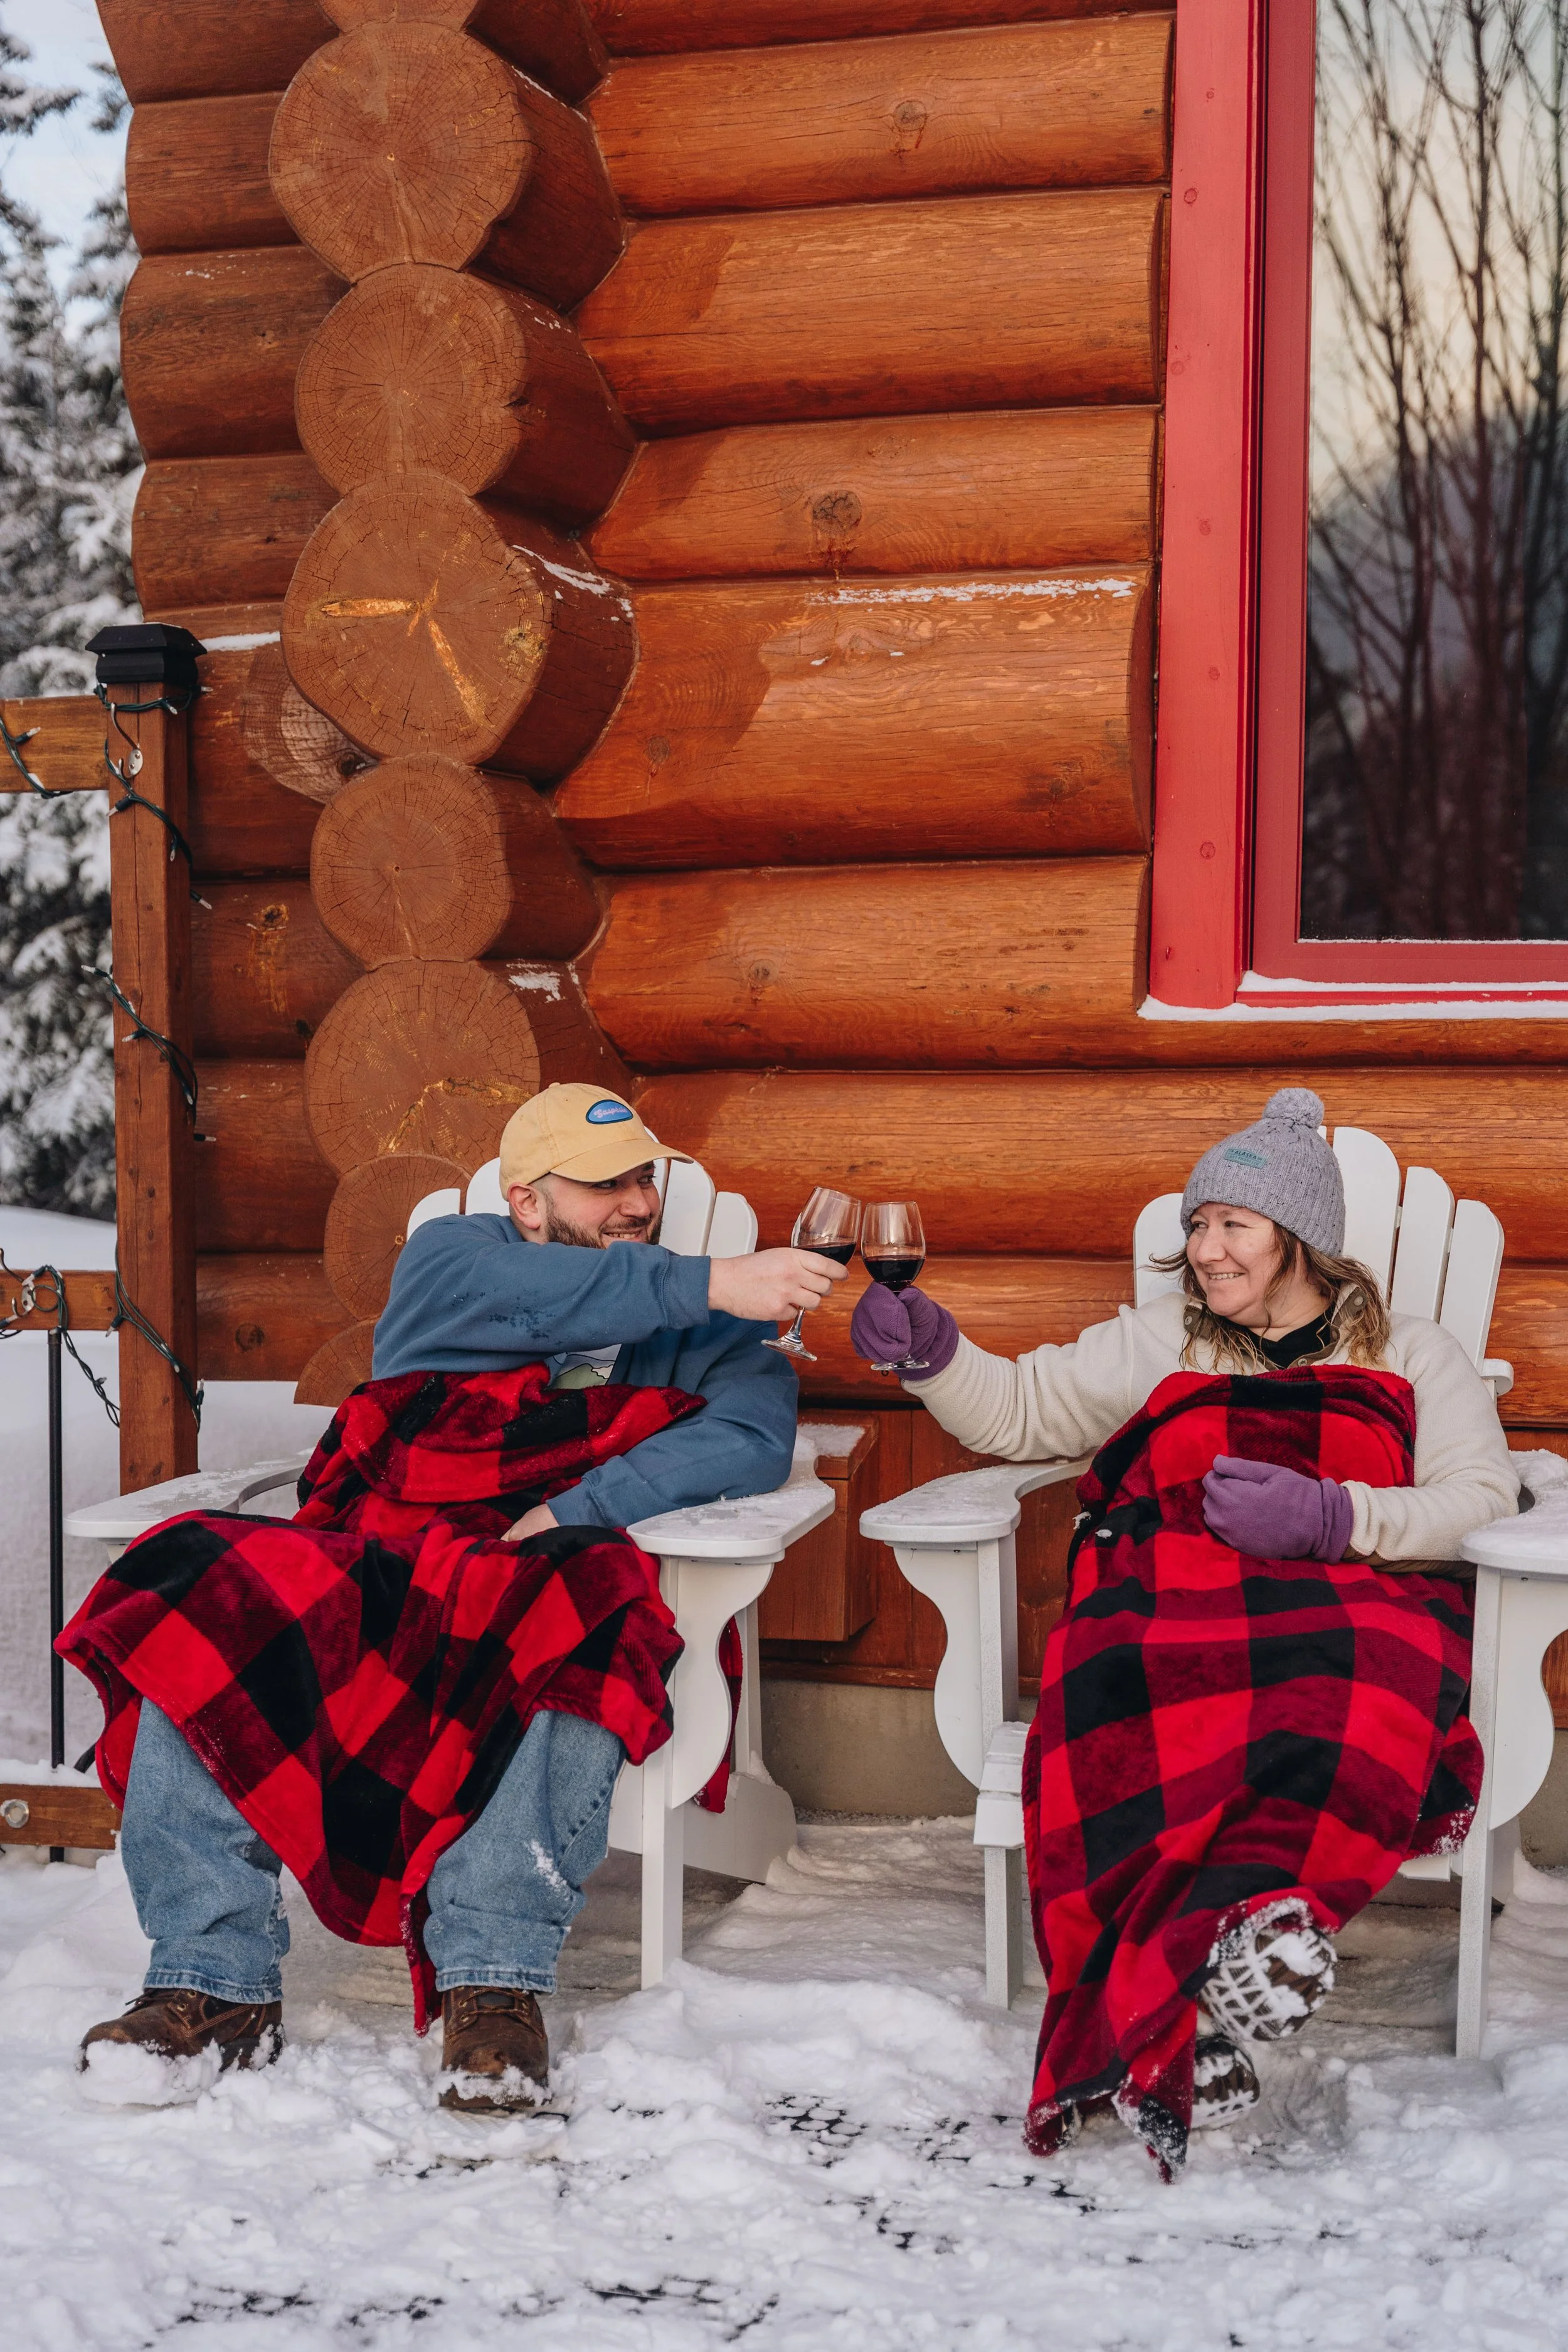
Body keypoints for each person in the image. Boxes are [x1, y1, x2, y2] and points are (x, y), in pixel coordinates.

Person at [66, 1084, 846, 2111]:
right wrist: (712, 1279)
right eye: (605, 1182)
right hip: (382, 1564)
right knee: (195, 1580)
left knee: (594, 1601)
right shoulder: (456, 1259)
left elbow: (748, 1433)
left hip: (539, 1564)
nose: (636, 1203)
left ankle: (494, 1975)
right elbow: (549, 1300)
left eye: (645, 1180)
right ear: (524, 1201)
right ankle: (210, 1982)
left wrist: (577, 1503)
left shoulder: (707, 1330)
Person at [851, 1088, 1517, 2175]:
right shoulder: (1163, 1338)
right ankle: (1235, 1952)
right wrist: (931, 1352)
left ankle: (1206, 1967)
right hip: (1171, 1590)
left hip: (1349, 1591)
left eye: (1232, 1226)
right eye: (1197, 1225)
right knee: (1134, 1690)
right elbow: (1021, 1413)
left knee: (1350, 1678)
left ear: (1301, 1239)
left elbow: (1481, 1497)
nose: (1204, 1249)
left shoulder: (1417, 1354)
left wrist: (1340, 1513)